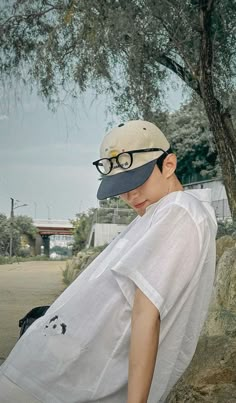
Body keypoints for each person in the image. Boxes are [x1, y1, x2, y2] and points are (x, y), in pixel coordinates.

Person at [0, 120, 217, 403]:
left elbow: (145, 314)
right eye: (120, 187)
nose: (129, 195)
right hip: (52, 377)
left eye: (136, 181)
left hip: (56, 384)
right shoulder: (157, 214)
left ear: (169, 164)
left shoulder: (178, 211)